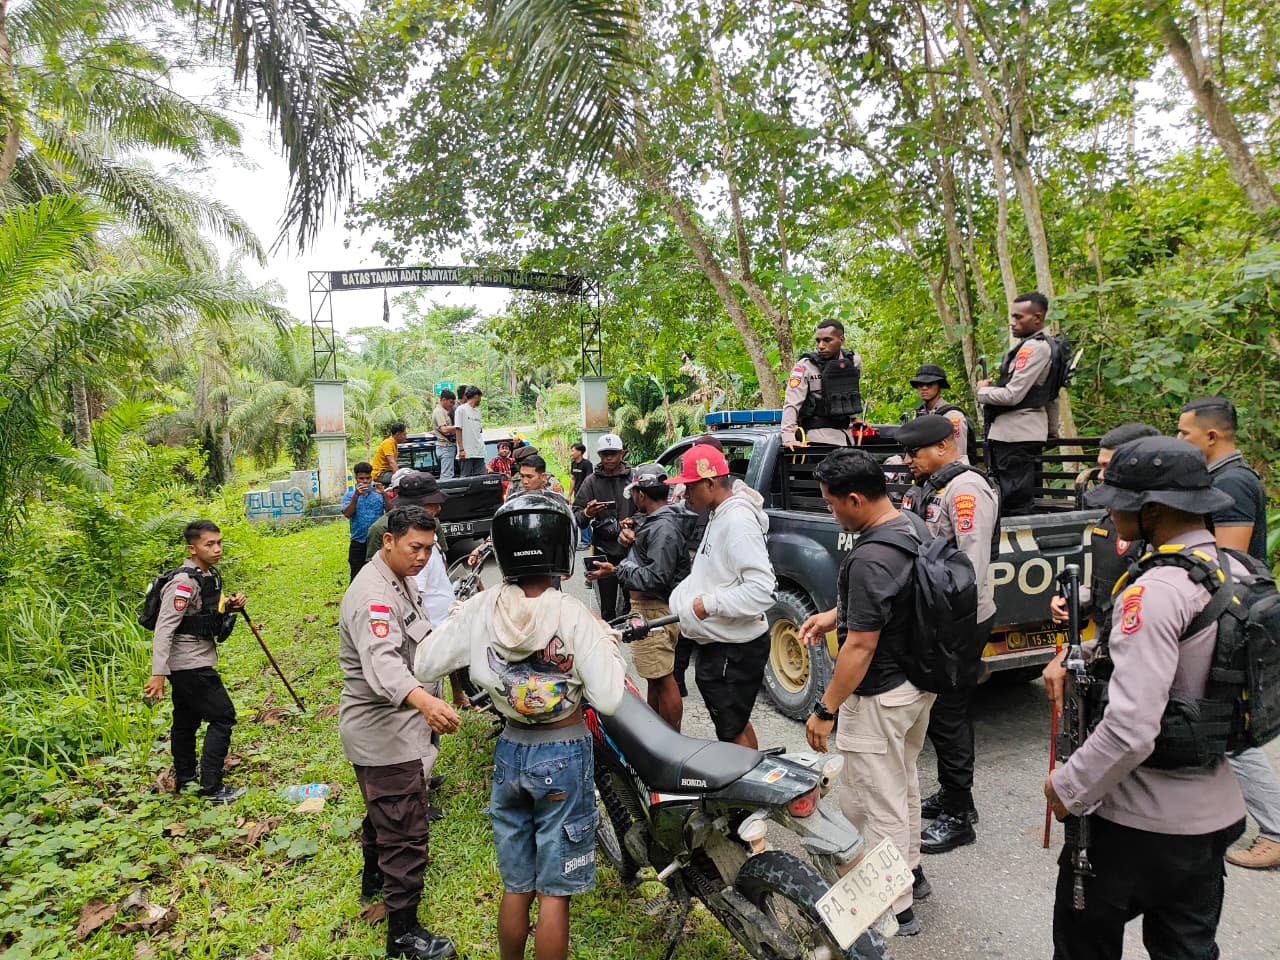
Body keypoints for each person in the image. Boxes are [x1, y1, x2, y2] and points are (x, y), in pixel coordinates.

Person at [1043, 436, 1247, 959]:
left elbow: (1131, 729)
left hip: (1135, 823)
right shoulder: (1236, 571)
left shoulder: (1154, 591)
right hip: (1212, 816)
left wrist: (1066, 787)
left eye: (1119, 501)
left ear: (1153, 510)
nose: (1111, 513)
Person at [414, 493, 627, 960]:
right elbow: (610, 697)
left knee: (517, 886)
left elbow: (425, 662)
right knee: (554, 893)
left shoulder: (482, 607)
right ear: (563, 553)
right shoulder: (572, 614)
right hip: (563, 753)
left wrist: (461, 619)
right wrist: (606, 639)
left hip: (510, 751)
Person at [799, 449, 936, 936]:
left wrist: (825, 708)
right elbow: (892, 598)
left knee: (876, 802)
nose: (830, 511)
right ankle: (911, 871)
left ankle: (892, 908)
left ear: (855, 499)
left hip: (880, 694)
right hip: (916, 686)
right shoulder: (910, 526)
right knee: (902, 783)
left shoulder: (869, 557)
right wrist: (834, 615)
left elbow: (860, 646)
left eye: (832, 503)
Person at [339, 506, 460, 960]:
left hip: (392, 730)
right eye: (415, 547)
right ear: (388, 541)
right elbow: (384, 664)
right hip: (385, 733)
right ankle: (403, 935)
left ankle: (373, 879)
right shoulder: (373, 596)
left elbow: (420, 634)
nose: (423, 557)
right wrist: (426, 702)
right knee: (406, 832)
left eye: (429, 548)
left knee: (385, 812)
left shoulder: (398, 578)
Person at [1176, 396, 1280, 871]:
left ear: (1212, 436)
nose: (1180, 440)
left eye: (1185, 433)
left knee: (1230, 729)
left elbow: (1227, 563)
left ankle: (1275, 830)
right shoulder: (1226, 477)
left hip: (1234, 617)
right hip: (1233, 616)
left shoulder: (1232, 483)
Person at [896, 415, 998, 854]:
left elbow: (969, 569)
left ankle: (959, 816)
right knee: (940, 710)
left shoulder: (966, 489)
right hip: (938, 617)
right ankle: (954, 796)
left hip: (959, 618)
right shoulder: (934, 484)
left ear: (942, 446)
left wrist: (939, 621)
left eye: (913, 452)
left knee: (949, 713)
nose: (907, 460)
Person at [668, 444, 775, 748]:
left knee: (731, 731)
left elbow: (763, 590)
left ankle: (746, 776)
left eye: (689, 487)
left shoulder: (737, 521)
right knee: (734, 723)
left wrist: (708, 604)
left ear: (710, 483)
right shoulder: (718, 514)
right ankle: (751, 771)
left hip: (734, 649)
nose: (684, 494)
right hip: (720, 643)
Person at [142, 520, 246, 804]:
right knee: (223, 716)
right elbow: (165, 628)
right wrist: (158, 673)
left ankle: (186, 779)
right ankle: (212, 787)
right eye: (209, 544)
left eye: (219, 543)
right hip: (189, 664)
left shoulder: (206, 575)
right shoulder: (183, 583)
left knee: (186, 721)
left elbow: (204, 609)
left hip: (193, 660)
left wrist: (231, 604)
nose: (217, 549)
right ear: (192, 548)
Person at [588, 463, 693, 730]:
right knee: (654, 676)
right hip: (650, 609)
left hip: (655, 611)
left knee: (664, 678)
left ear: (641, 494)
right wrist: (634, 528)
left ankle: (672, 739)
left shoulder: (663, 529)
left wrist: (617, 569)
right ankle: (656, 732)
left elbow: (656, 577)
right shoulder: (655, 521)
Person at [1050, 423, 1161, 631]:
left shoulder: (1166, 531)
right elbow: (1103, 587)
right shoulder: (1108, 523)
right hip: (1107, 638)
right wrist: (1075, 600)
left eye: (1107, 466)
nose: (1100, 475)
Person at [976, 292, 1057, 516]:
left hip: (1014, 438)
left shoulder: (1034, 348)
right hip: (1023, 436)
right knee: (1018, 499)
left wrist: (982, 391)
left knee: (1013, 504)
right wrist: (1051, 428)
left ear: (1037, 318)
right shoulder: (1043, 347)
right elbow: (1051, 395)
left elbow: (1013, 395)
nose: (1012, 322)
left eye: (1018, 317)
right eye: (1012, 316)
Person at [572, 433, 635, 621]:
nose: (609, 458)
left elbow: (650, 508)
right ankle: (608, 634)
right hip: (603, 548)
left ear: (622, 453)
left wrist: (633, 523)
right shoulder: (591, 481)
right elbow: (576, 516)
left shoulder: (634, 479)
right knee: (607, 606)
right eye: (605, 453)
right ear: (599, 455)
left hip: (632, 549)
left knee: (632, 603)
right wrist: (588, 513)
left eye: (613, 453)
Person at [782, 320, 864, 450]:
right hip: (818, 439)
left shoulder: (853, 362)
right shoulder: (805, 366)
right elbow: (792, 403)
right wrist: (788, 437)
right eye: (818, 341)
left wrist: (853, 419)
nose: (821, 346)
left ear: (841, 340)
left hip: (847, 437)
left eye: (827, 340)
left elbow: (849, 391)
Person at [910, 364, 976, 464]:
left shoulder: (953, 416)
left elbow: (959, 454)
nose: (924, 388)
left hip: (949, 468)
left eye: (929, 384)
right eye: (920, 384)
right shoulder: (919, 414)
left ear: (939, 386)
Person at [342, 461, 386, 582]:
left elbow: (391, 511)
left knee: (379, 575)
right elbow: (347, 513)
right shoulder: (349, 496)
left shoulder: (379, 494)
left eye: (368, 478)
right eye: (361, 478)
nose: (365, 481)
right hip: (358, 541)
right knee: (356, 575)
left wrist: (384, 494)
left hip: (377, 541)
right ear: (356, 479)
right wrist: (356, 496)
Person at [454, 388, 485, 478]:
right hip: (467, 452)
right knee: (466, 478)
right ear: (476, 396)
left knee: (480, 478)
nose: (480, 400)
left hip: (479, 451)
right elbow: (458, 429)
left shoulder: (478, 412)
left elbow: (478, 431)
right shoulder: (461, 410)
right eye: (480, 397)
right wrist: (461, 449)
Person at [431, 390, 458, 480]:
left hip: (448, 447)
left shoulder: (445, 411)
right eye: (451, 402)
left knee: (449, 473)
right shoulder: (439, 411)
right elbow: (444, 429)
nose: (452, 405)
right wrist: (458, 426)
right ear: (444, 400)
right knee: (447, 475)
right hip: (445, 447)